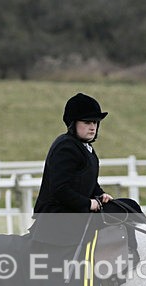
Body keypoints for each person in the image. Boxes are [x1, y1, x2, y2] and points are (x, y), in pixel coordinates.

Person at [28, 92, 113, 246]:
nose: (93, 127)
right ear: (73, 123)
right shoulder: (65, 147)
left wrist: (100, 194)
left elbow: (88, 183)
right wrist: (88, 204)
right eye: (87, 122)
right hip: (56, 221)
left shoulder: (87, 148)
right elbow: (60, 189)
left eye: (95, 122)